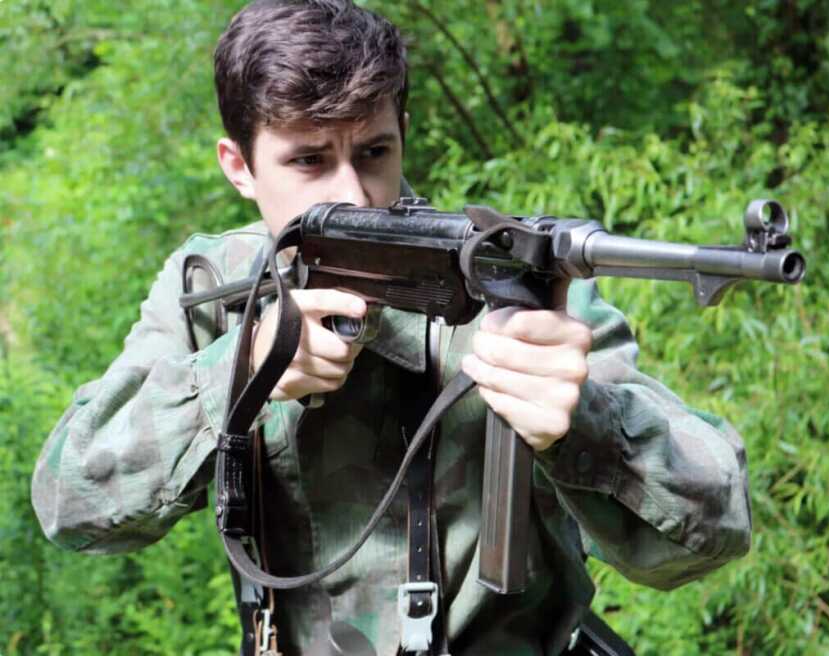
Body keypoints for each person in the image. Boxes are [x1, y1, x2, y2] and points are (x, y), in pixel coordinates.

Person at [31, 1, 752, 654]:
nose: (352, 195)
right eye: (307, 161)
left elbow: (713, 530)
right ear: (239, 167)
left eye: (372, 152)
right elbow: (71, 503)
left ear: (402, 132)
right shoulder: (213, 290)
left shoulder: (514, 286)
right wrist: (239, 375)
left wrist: (583, 421)